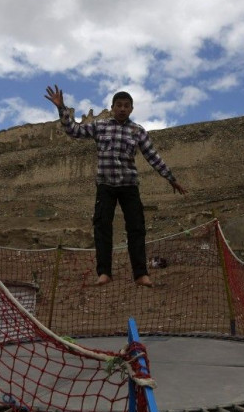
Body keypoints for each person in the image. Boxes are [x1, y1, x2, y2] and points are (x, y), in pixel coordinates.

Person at [45, 85, 187, 287]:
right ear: (112, 107)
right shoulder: (100, 126)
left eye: (126, 106)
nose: (122, 109)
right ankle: (104, 273)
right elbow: (74, 130)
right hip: (105, 186)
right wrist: (62, 108)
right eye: (118, 105)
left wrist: (170, 177)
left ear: (131, 109)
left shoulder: (137, 131)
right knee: (102, 227)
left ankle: (140, 274)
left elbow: (153, 156)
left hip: (129, 186)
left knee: (136, 228)